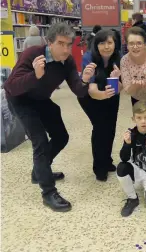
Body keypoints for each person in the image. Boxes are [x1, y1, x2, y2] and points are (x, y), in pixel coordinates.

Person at [3, 23, 96, 212]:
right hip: (21, 101)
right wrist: (35, 75)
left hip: (41, 99)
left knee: (61, 136)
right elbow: (11, 86)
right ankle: (48, 193)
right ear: (49, 43)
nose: (66, 49)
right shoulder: (32, 54)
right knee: (40, 142)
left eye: (69, 44)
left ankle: (40, 171)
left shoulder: (67, 61)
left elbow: (78, 90)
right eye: (61, 44)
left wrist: (85, 79)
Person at [78, 30, 122, 181]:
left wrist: (116, 80)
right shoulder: (89, 58)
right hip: (91, 97)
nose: (106, 47)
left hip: (111, 95)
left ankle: (107, 160)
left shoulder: (118, 57)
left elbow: (120, 88)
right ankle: (99, 167)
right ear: (96, 44)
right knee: (100, 129)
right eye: (102, 43)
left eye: (110, 42)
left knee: (110, 128)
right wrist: (105, 95)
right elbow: (91, 90)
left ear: (115, 44)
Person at [117, 101, 146, 217]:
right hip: (138, 170)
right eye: (139, 118)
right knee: (121, 167)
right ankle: (132, 198)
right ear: (133, 119)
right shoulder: (131, 134)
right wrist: (127, 144)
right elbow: (124, 158)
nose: (143, 121)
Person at [121, 27, 146, 108]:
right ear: (127, 45)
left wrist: (144, 84)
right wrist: (135, 85)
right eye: (131, 43)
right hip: (137, 97)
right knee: (140, 120)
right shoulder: (124, 60)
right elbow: (127, 89)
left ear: (145, 43)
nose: (135, 47)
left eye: (139, 43)